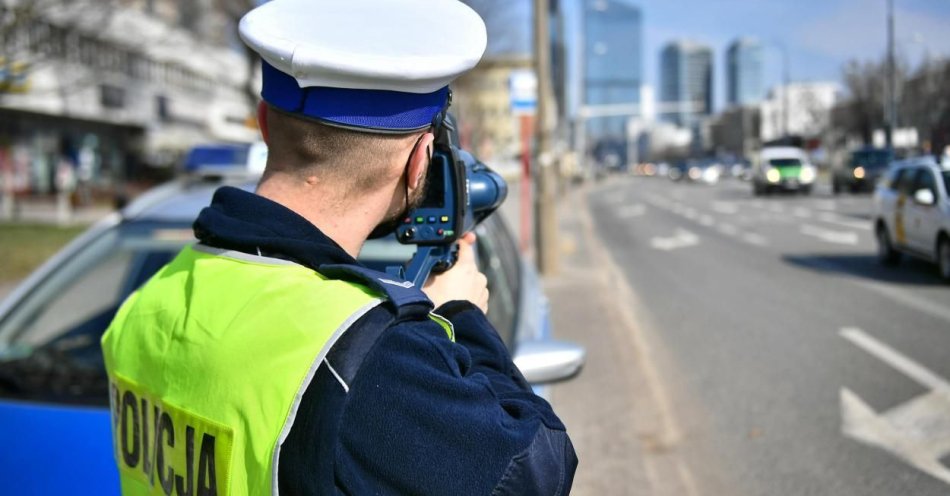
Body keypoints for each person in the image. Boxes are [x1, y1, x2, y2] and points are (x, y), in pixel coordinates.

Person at [101, 0, 577, 494]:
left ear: (265, 123)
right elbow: (537, 474)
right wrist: (463, 316)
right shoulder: (369, 357)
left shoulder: (146, 303)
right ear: (419, 161)